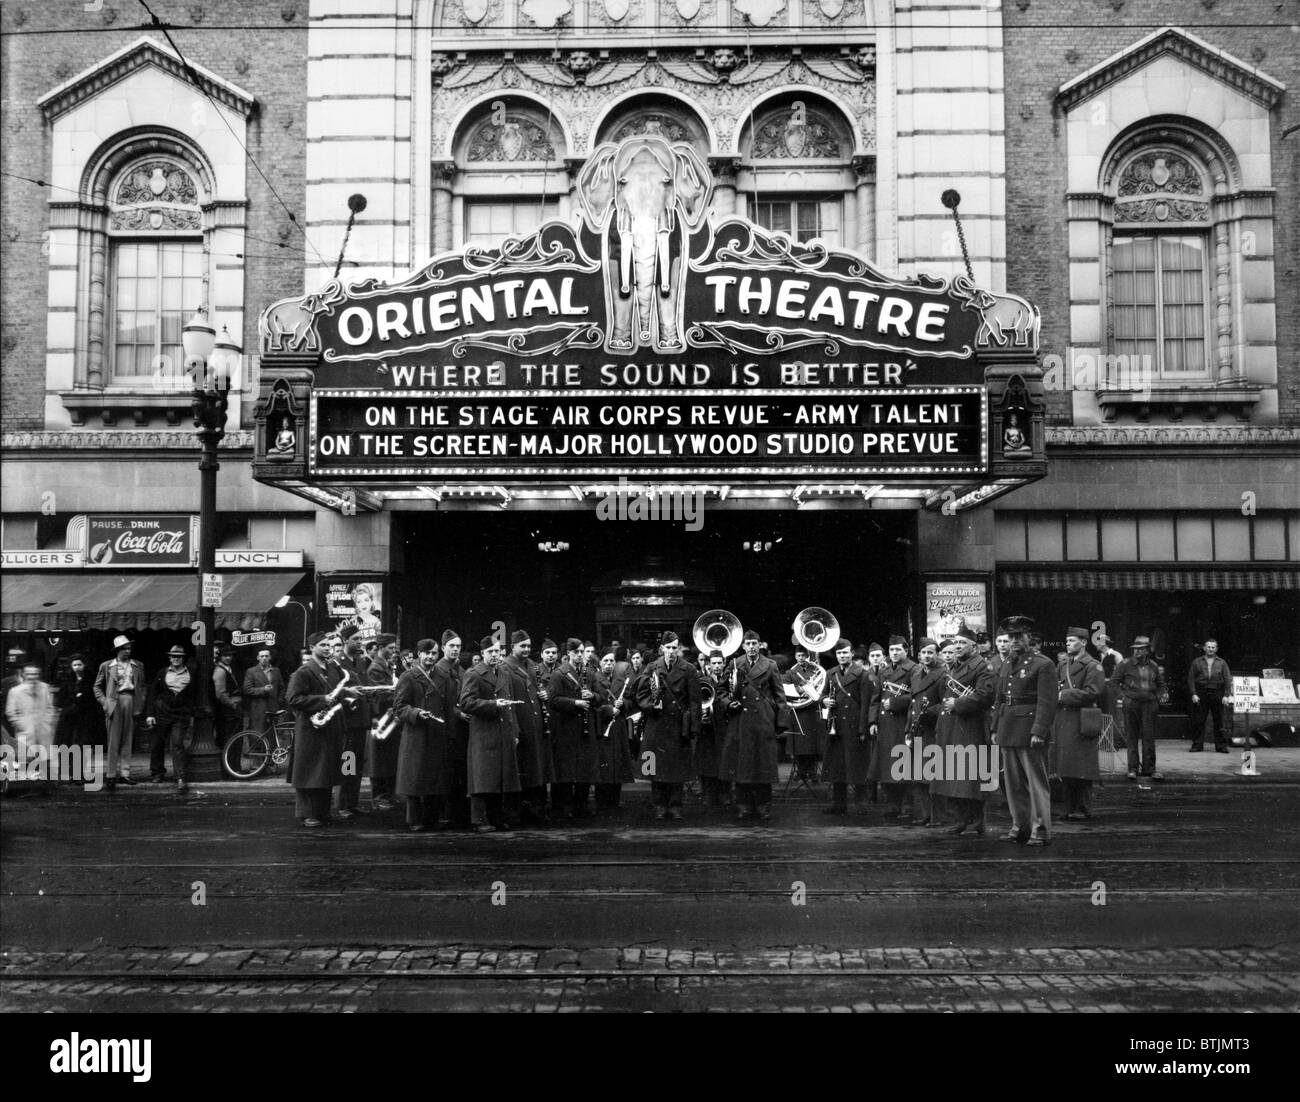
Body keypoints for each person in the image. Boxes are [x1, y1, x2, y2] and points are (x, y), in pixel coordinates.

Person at [991, 615, 1057, 846]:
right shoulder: (1008, 662)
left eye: (1019, 636)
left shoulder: (1043, 664)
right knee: (1014, 784)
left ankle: (1040, 831)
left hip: (1029, 731)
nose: (1014, 640)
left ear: (1030, 637)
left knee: (1036, 783)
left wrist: (1039, 731)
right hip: (1008, 728)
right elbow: (999, 698)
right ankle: (1020, 827)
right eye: (1011, 637)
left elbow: (1047, 702)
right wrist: (994, 727)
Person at [286, 631, 354, 827]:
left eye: (329, 645)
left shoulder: (332, 669)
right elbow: (293, 699)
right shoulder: (303, 672)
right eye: (323, 645)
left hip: (329, 727)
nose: (327, 648)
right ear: (312, 647)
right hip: (310, 729)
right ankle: (307, 814)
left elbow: (336, 693)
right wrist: (321, 700)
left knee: (326, 771)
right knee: (308, 772)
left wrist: (346, 697)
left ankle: (323, 812)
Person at [931, 627, 995, 836]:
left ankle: (976, 821)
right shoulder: (955, 666)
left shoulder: (982, 667)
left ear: (974, 647)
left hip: (970, 727)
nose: (957, 646)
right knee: (954, 775)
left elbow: (985, 696)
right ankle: (960, 819)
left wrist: (958, 703)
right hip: (952, 726)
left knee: (970, 776)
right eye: (956, 643)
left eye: (962, 643)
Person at [458, 635, 523, 833]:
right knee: (482, 778)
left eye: (497, 651)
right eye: (490, 652)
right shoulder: (474, 674)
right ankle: (479, 820)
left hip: (503, 731)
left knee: (499, 777)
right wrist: (492, 705)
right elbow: (466, 703)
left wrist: (515, 731)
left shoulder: (503, 672)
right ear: (483, 653)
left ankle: (496, 817)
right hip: (484, 733)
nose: (495, 655)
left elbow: (511, 704)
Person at [636, 630, 700, 821]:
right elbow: (641, 694)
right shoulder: (652, 667)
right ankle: (659, 805)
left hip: (678, 724)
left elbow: (695, 700)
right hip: (657, 723)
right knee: (656, 767)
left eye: (675, 648)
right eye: (668, 648)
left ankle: (675, 805)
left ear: (678, 649)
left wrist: (693, 726)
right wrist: (651, 705)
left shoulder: (688, 669)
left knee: (677, 768)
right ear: (662, 648)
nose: (671, 652)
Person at [722, 629, 783, 823]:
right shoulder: (734, 664)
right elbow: (722, 690)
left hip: (762, 721)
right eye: (747, 644)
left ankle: (763, 806)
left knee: (763, 766)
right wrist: (727, 703)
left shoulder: (770, 666)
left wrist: (780, 723)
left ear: (760, 645)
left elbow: (779, 696)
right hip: (741, 721)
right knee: (743, 767)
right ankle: (744, 806)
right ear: (743, 646)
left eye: (754, 644)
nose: (751, 647)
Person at [394, 638, 448, 832]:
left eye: (434, 653)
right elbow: (399, 708)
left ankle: (431, 817)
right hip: (416, 734)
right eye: (426, 653)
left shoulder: (443, 676)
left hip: (436, 734)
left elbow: (448, 706)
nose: (430, 657)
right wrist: (416, 713)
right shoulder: (408, 676)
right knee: (414, 779)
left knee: (434, 777)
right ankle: (414, 819)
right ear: (419, 654)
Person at [1054, 627, 1105, 821]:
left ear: (1084, 642)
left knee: (1083, 767)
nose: (1068, 643)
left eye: (1072, 640)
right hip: (1064, 719)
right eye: (1067, 640)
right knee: (1066, 766)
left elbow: (1093, 692)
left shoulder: (1093, 665)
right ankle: (1068, 807)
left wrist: (1063, 695)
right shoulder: (1063, 664)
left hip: (1081, 719)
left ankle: (1083, 808)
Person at [821, 638, 876, 817]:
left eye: (845, 652)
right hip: (836, 726)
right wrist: (824, 700)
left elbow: (866, 703)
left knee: (857, 766)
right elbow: (821, 695)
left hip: (854, 725)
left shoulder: (862, 673)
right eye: (839, 653)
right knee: (838, 767)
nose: (842, 656)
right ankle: (839, 804)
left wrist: (863, 729)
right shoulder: (831, 673)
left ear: (852, 654)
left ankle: (862, 804)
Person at [547, 638, 600, 818]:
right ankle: (563, 807)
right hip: (566, 728)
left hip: (585, 729)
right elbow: (552, 700)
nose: (579, 655)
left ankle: (581, 805)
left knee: (584, 768)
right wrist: (575, 702)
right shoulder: (559, 674)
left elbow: (600, 697)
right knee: (566, 770)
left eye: (582, 652)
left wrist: (592, 696)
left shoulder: (590, 673)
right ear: (568, 653)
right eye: (576, 652)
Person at [503, 630, 550, 824]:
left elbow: (542, 688)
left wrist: (545, 694)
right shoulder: (505, 667)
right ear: (512, 646)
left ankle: (535, 810)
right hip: (520, 723)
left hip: (535, 724)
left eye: (529, 646)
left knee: (536, 769)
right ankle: (516, 813)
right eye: (522, 646)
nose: (526, 649)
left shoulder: (534, 666)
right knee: (519, 770)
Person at [869, 636, 916, 820]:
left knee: (902, 765)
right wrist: (872, 722)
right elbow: (876, 698)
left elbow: (915, 696)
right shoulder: (885, 670)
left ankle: (906, 805)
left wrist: (896, 703)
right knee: (887, 765)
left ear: (906, 650)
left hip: (902, 722)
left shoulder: (914, 669)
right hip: (885, 724)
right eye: (892, 650)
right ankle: (893, 804)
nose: (895, 653)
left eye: (898, 650)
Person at [1111, 634, 1167, 780]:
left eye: (1141, 649)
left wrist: (1158, 697)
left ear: (1147, 650)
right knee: (1132, 737)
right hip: (1132, 704)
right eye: (1135, 649)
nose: (1137, 652)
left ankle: (1150, 769)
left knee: (1149, 737)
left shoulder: (1154, 665)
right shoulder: (1125, 664)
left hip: (1150, 705)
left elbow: (1161, 685)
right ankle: (1132, 769)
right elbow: (1113, 683)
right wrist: (1123, 697)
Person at [903, 638, 946, 826]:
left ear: (937, 654)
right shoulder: (916, 674)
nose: (927, 656)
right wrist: (908, 729)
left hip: (933, 728)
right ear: (919, 655)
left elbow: (945, 703)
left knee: (933, 774)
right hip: (917, 728)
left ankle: (938, 817)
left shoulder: (943, 674)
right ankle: (923, 814)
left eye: (931, 652)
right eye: (924, 653)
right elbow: (913, 705)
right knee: (918, 775)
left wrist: (928, 712)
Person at [93, 635, 145, 789]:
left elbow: (142, 686)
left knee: (127, 739)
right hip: (114, 702)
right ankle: (110, 774)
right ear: (117, 650)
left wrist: (140, 704)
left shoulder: (138, 665)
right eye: (124, 649)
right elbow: (97, 686)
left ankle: (125, 773)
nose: (127, 651)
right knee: (113, 740)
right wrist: (104, 702)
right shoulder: (107, 666)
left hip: (130, 700)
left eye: (129, 648)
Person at [144, 645, 197, 793]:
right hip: (162, 712)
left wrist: (191, 711)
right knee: (157, 742)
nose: (176, 659)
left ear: (183, 658)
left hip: (180, 714)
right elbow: (152, 693)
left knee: (177, 743)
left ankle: (180, 777)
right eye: (173, 656)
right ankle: (157, 773)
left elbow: (194, 695)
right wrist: (150, 714)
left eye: (179, 656)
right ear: (169, 658)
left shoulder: (191, 674)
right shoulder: (162, 672)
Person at [333, 625, 371, 819]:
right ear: (345, 640)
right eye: (355, 639)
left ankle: (353, 803)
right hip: (347, 722)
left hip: (359, 721)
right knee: (347, 764)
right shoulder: (337, 664)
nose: (359, 642)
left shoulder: (360, 661)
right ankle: (342, 805)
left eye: (360, 638)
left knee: (356, 765)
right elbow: (334, 690)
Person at [434, 630, 471, 829]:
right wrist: (459, 714)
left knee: (458, 771)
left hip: (460, 729)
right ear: (442, 648)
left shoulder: (459, 668)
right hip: (449, 728)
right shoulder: (439, 670)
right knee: (447, 772)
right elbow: (443, 703)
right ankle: (447, 813)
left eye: (458, 646)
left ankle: (457, 812)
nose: (456, 649)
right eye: (451, 646)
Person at [594, 649, 634, 812]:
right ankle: (601, 803)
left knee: (617, 767)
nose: (609, 664)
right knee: (604, 767)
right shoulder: (594, 680)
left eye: (612, 661)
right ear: (599, 663)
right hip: (602, 729)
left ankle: (614, 802)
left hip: (618, 728)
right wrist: (608, 710)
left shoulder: (621, 679)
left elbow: (631, 700)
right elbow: (592, 707)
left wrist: (623, 703)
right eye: (605, 661)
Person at [5, 663, 56, 788]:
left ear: (39, 675)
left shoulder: (45, 688)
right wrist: (21, 725)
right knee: (26, 760)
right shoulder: (15, 691)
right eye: (29, 674)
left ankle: (43, 787)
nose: (32, 677)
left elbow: (50, 707)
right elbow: (10, 712)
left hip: (43, 730)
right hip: (25, 731)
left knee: (43, 760)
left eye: (35, 674)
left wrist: (48, 722)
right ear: (24, 674)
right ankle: (25, 788)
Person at [783, 646, 827, 785]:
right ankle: (800, 771)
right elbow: (785, 687)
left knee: (812, 743)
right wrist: (800, 689)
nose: (801, 658)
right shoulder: (791, 672)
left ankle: (812, 771)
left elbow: (822, 685)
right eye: (799, 656)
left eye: (803, 655)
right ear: (796, 656)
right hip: (798, 711)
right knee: (799, 743)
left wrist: (812, 689)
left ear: (807, 656)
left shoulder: (815, 669)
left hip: (811, 710)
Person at [367, 633, 401, 810]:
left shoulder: (386, 666)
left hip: (387, 718)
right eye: (390, 648)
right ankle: (379, 797)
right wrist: (399, 693)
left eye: (394, 648)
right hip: (380, 719)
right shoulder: (375, 668)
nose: (394, 651)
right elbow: (378, 694)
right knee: (379, 759)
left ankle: (387, 795)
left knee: (388, 757)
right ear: (380, 648)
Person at [695, 649, 733, 809]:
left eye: (719, 663)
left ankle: (725, 794)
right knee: (708, 761)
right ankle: (708, 794)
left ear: (724, 664)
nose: (717, 666)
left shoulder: (730, 680)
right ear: (709, 664)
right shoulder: (703, 680)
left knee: (725, 760)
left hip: (725, 725)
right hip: (708, 727)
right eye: (714, 663)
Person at [1187, 638, 1232, 753]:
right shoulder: (1197, 662)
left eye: (1213, 647)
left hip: (1217, 693)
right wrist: (1194, 694)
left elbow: (1227, 679)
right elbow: (1191, 679)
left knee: (1219, 721)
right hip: (1201, 693)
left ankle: (1221, 746)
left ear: (1216, 649)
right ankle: (1197, 745)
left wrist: (1226, 695)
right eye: (1208, 647)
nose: (1210, 649)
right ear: (1204, 648)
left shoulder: (1222, 663)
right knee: (1199, 720)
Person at [55, 655, 104, 754]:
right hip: (69, 717)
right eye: (74, 665)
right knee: (66, 743)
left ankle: (77, 768)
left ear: (84, 665)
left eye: (79, 664)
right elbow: (62, 697)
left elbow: (91, 698)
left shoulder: (91, 679)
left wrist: (79, 698)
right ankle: (66, 768)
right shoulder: (68, 679)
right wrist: (76, 698)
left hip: (84, 717)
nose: (77, 667)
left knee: (80, 744)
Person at [242, 648, 285, 743]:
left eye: (266, 656)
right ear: (258, 658)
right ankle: (257, 755)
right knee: (257, 733)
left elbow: (282, 688)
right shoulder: (251, 671)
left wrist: (279, 701)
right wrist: (263, 690)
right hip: (258, 708)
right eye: (262, 656)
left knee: (272, 733)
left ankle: (269, 755)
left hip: (273, 707)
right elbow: (247, 689)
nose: (264, 658)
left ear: (270, 657)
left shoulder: (276, 671)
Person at [212, 644, 243, 754]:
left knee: (234, 738)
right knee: (229, 739)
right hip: (227, 711)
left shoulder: (228, 669)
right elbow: (220, 693)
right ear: (220, 657)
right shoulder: (220, 670)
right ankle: (228, 768)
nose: (228, 658)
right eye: (225, 656)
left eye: (230, 655)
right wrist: (232, 704)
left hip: (231, 710)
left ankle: (232, 768)